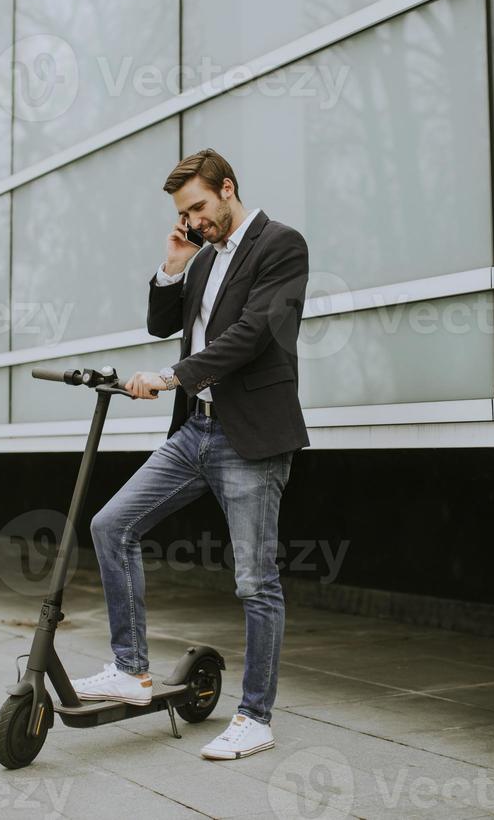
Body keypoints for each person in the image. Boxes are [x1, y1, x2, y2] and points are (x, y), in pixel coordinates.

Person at [70, 148, 310, 760]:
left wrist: (173, 377)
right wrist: (174, 267)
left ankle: (255, 717)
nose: (195, 220)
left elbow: (252, 335)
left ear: (228, 188)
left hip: (249, 438)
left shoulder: (281, 246)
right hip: (194, 434)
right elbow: (161, 323)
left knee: (256, 581)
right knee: (110, 525)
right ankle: (130, 668)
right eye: (185, 213)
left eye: (200, 207)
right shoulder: (200, 257)